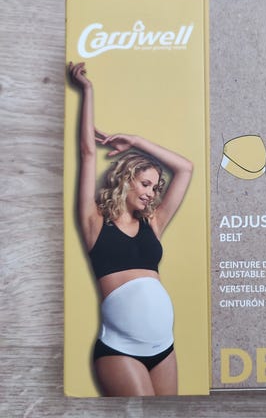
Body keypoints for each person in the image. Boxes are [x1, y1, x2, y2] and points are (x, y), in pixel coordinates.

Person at [68, 62, 193, 396]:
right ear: (126, 179)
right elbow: (88, 152)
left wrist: (137, 141)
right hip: (119, 349)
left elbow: (185, 168)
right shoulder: (94, 221)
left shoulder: (154, 223)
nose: (151, 193)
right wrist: (87, 90)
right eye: (145, 183)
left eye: (155, 187)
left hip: (164, 348)